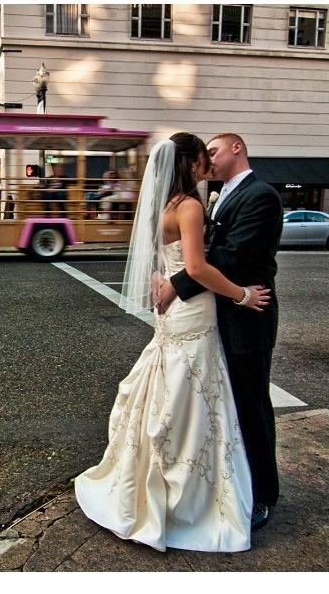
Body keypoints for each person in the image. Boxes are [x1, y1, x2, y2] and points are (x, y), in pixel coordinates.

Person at [74, 133, 271, 553]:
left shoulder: (166, 206)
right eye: (206, 154)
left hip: (177, 313)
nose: (210, 162)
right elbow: (199, 266)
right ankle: (193, 489)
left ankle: (162, 479)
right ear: (193, 161)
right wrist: (242, 295)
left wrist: (162, 283)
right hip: (196, 311)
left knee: (176, 390)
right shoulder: (192, 205)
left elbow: (166, 258)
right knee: (195, 394)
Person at [167, 133, 284, 533]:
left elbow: (231, 255)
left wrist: (176, 282)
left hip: (247, 318)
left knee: (252, 410)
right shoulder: (219, 196)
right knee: (226, 411)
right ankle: (230, 484)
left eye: (213, 150)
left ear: (237, 148)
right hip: (216, 317)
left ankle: (264, 495)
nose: (208, 159)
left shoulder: (261, 195)